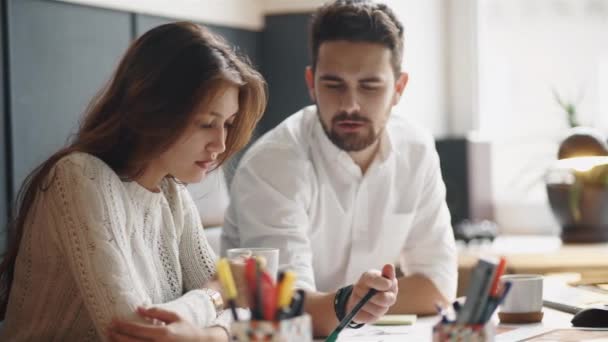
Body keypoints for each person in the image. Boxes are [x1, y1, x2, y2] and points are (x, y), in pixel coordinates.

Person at [0, 22, 266, 341]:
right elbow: (138, 332)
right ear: (155, 111)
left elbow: (247, 306)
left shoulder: (171, 195)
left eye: (228, 124)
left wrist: (206, 334)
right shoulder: (79, 177)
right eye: (207, 124)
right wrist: (214, 296)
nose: (220, 144)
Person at [221, 0, 457, 335]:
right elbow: (290, 309)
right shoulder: (273, 163)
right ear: (311, 83)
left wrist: (348, 306)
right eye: (333, 84)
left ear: (399, 89)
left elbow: (438, 287)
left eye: (370, 86)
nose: (350, 105)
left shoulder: (416, 151)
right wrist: (350, 304)